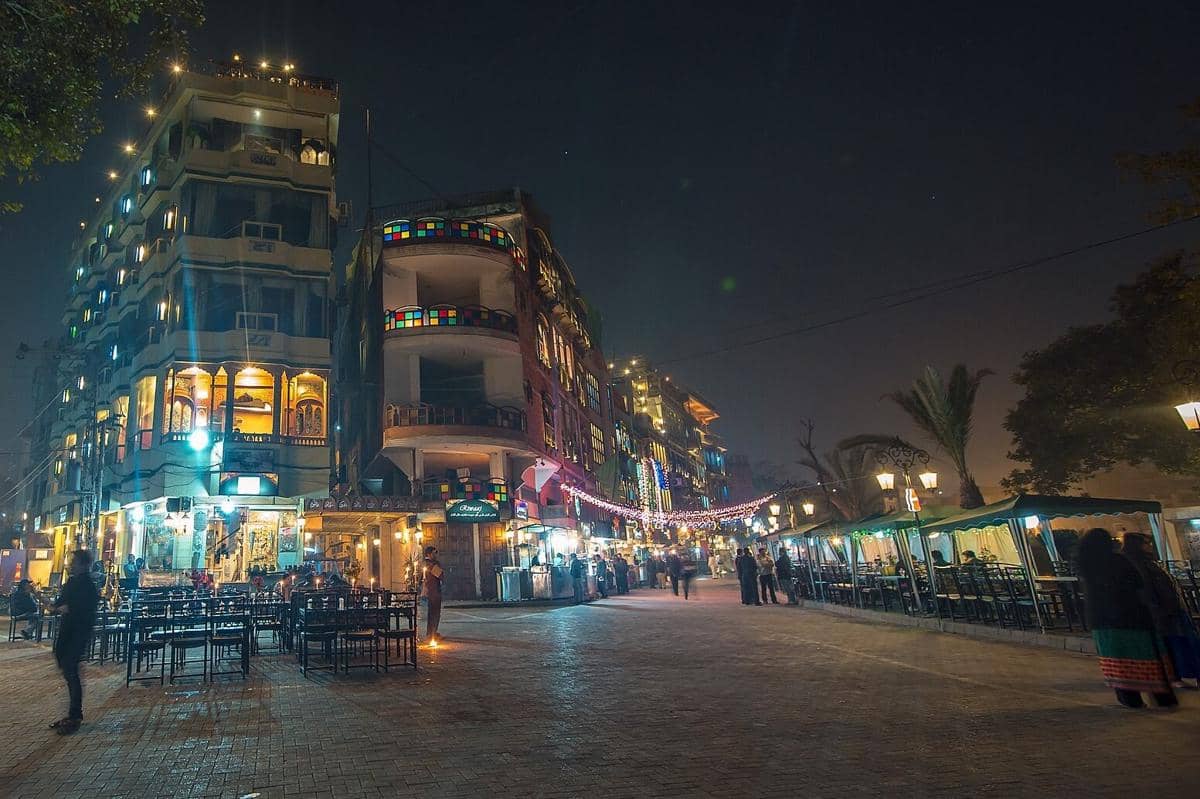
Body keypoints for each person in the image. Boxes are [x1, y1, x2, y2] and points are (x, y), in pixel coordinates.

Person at [1075, 528, 1177, 708]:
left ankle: (1129, 698)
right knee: (1146, 657)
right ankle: (1162, 697)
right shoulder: (1118, 561)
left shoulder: (1085, 566)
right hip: (1130, 618)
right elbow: (1138, 585)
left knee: (1117, 662)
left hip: (1101, 621)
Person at [1123, 533, 1200, 687]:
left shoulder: (1148, 562)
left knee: (1185, 642)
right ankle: (1177, 676)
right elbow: (1146, 590)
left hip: (1171, 609)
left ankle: (1186, 674)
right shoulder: (1138, 565)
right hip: (1165, 612)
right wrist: (1159, 609)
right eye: (1146, 543)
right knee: (1177, 643)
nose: (1149, 546)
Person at [50, 550, 100, 735]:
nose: (72, 565)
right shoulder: (71, 583)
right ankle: (73, 713)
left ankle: (75, 714)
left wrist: (69, 608)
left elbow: (86, 610)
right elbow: (60, 603)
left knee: (71, 671)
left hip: (78, 633)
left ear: (84, 565)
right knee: (67, 668)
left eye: (75, 562)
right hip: (67, 632)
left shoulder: (88, 586)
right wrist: (56, 606)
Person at [421, 546, 444, 642]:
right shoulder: (430, 564)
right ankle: (431, 633)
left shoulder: (427, 564)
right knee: (434, 613)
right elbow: (440, 575)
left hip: (433, 590)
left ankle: (432, 632)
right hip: (433, 591)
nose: (436, 555)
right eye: (434, 553)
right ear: (429, 554)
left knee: (433, 613)